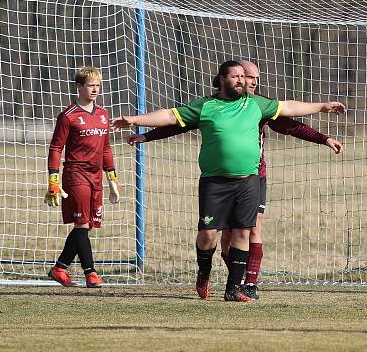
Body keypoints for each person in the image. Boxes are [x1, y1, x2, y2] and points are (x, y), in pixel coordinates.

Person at [111, 60, 345, 302]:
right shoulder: (206, 106)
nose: (242, 81)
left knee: (244, 232)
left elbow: (289, 109)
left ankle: (235, 289)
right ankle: (204, 272)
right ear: (222, 79)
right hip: (215, 182)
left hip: (249, 180)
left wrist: (321, 107)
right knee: (208, 235)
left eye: (244, 77)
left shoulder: (257, 104)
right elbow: (171, 117)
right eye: (236, 76)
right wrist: (136, 121)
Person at [45, 66, 120, 288]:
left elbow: (106, 148)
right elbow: (56, 148)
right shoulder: (68, 116)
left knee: (86, 227)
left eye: (97, 85)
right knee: (81, 223)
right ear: (79, 86)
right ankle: (91, 273)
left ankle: (59, 268)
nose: (95, 89)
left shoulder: (103, 115)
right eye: (90, 85)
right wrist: (53, 179)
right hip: (75, 174)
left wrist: (112, 178)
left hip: (95, 176)